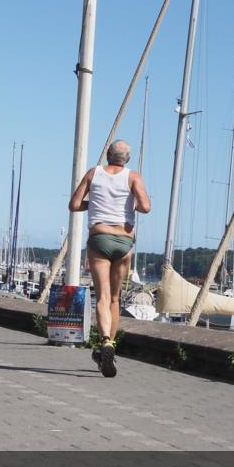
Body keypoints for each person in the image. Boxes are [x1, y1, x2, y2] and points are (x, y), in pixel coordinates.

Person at [68, 140, 150, 377]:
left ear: (107, 155)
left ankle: (105, 341)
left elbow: (74, 204)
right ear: (127, 159)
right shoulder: (133, 177)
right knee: (115, 299)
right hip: (124, 241)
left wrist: (93, 204)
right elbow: (145, 207)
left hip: (99, 238)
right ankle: (109, 345)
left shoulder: (93, 173)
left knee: (102, 297)